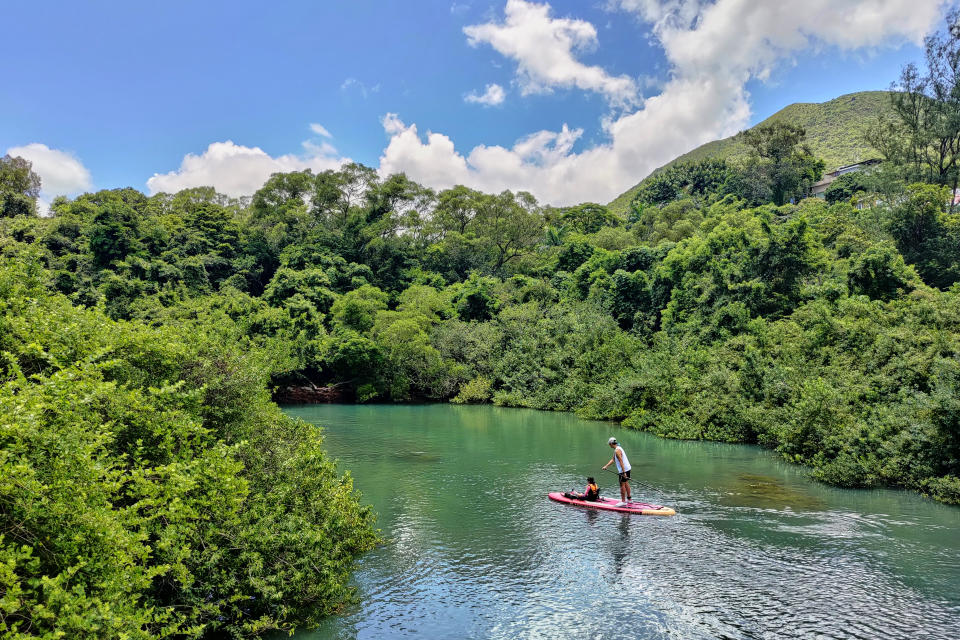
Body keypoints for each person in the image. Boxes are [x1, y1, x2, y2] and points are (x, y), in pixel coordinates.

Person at [601, 437, 632, 506]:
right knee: (626, 483)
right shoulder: (618, 448)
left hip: (623, 470)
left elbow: (621, 462)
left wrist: (624, 473)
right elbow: (613, 459)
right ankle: (629, 500)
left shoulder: (617, 451)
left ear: (611, 444)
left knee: (622, 485)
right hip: (627, 468)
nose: (609, 445)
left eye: (609, 444)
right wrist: (606, 466)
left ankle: (623, 501)